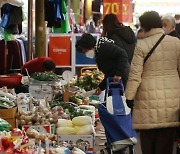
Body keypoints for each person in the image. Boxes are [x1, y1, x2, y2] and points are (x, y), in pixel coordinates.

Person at [125, 11, 180, 154]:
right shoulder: (176, 43)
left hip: (146, 101)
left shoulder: (142, 45)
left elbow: (135, 75)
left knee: (148, 143)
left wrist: (129, 97)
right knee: (166, 144)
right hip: (171, 100)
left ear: (144, 26)